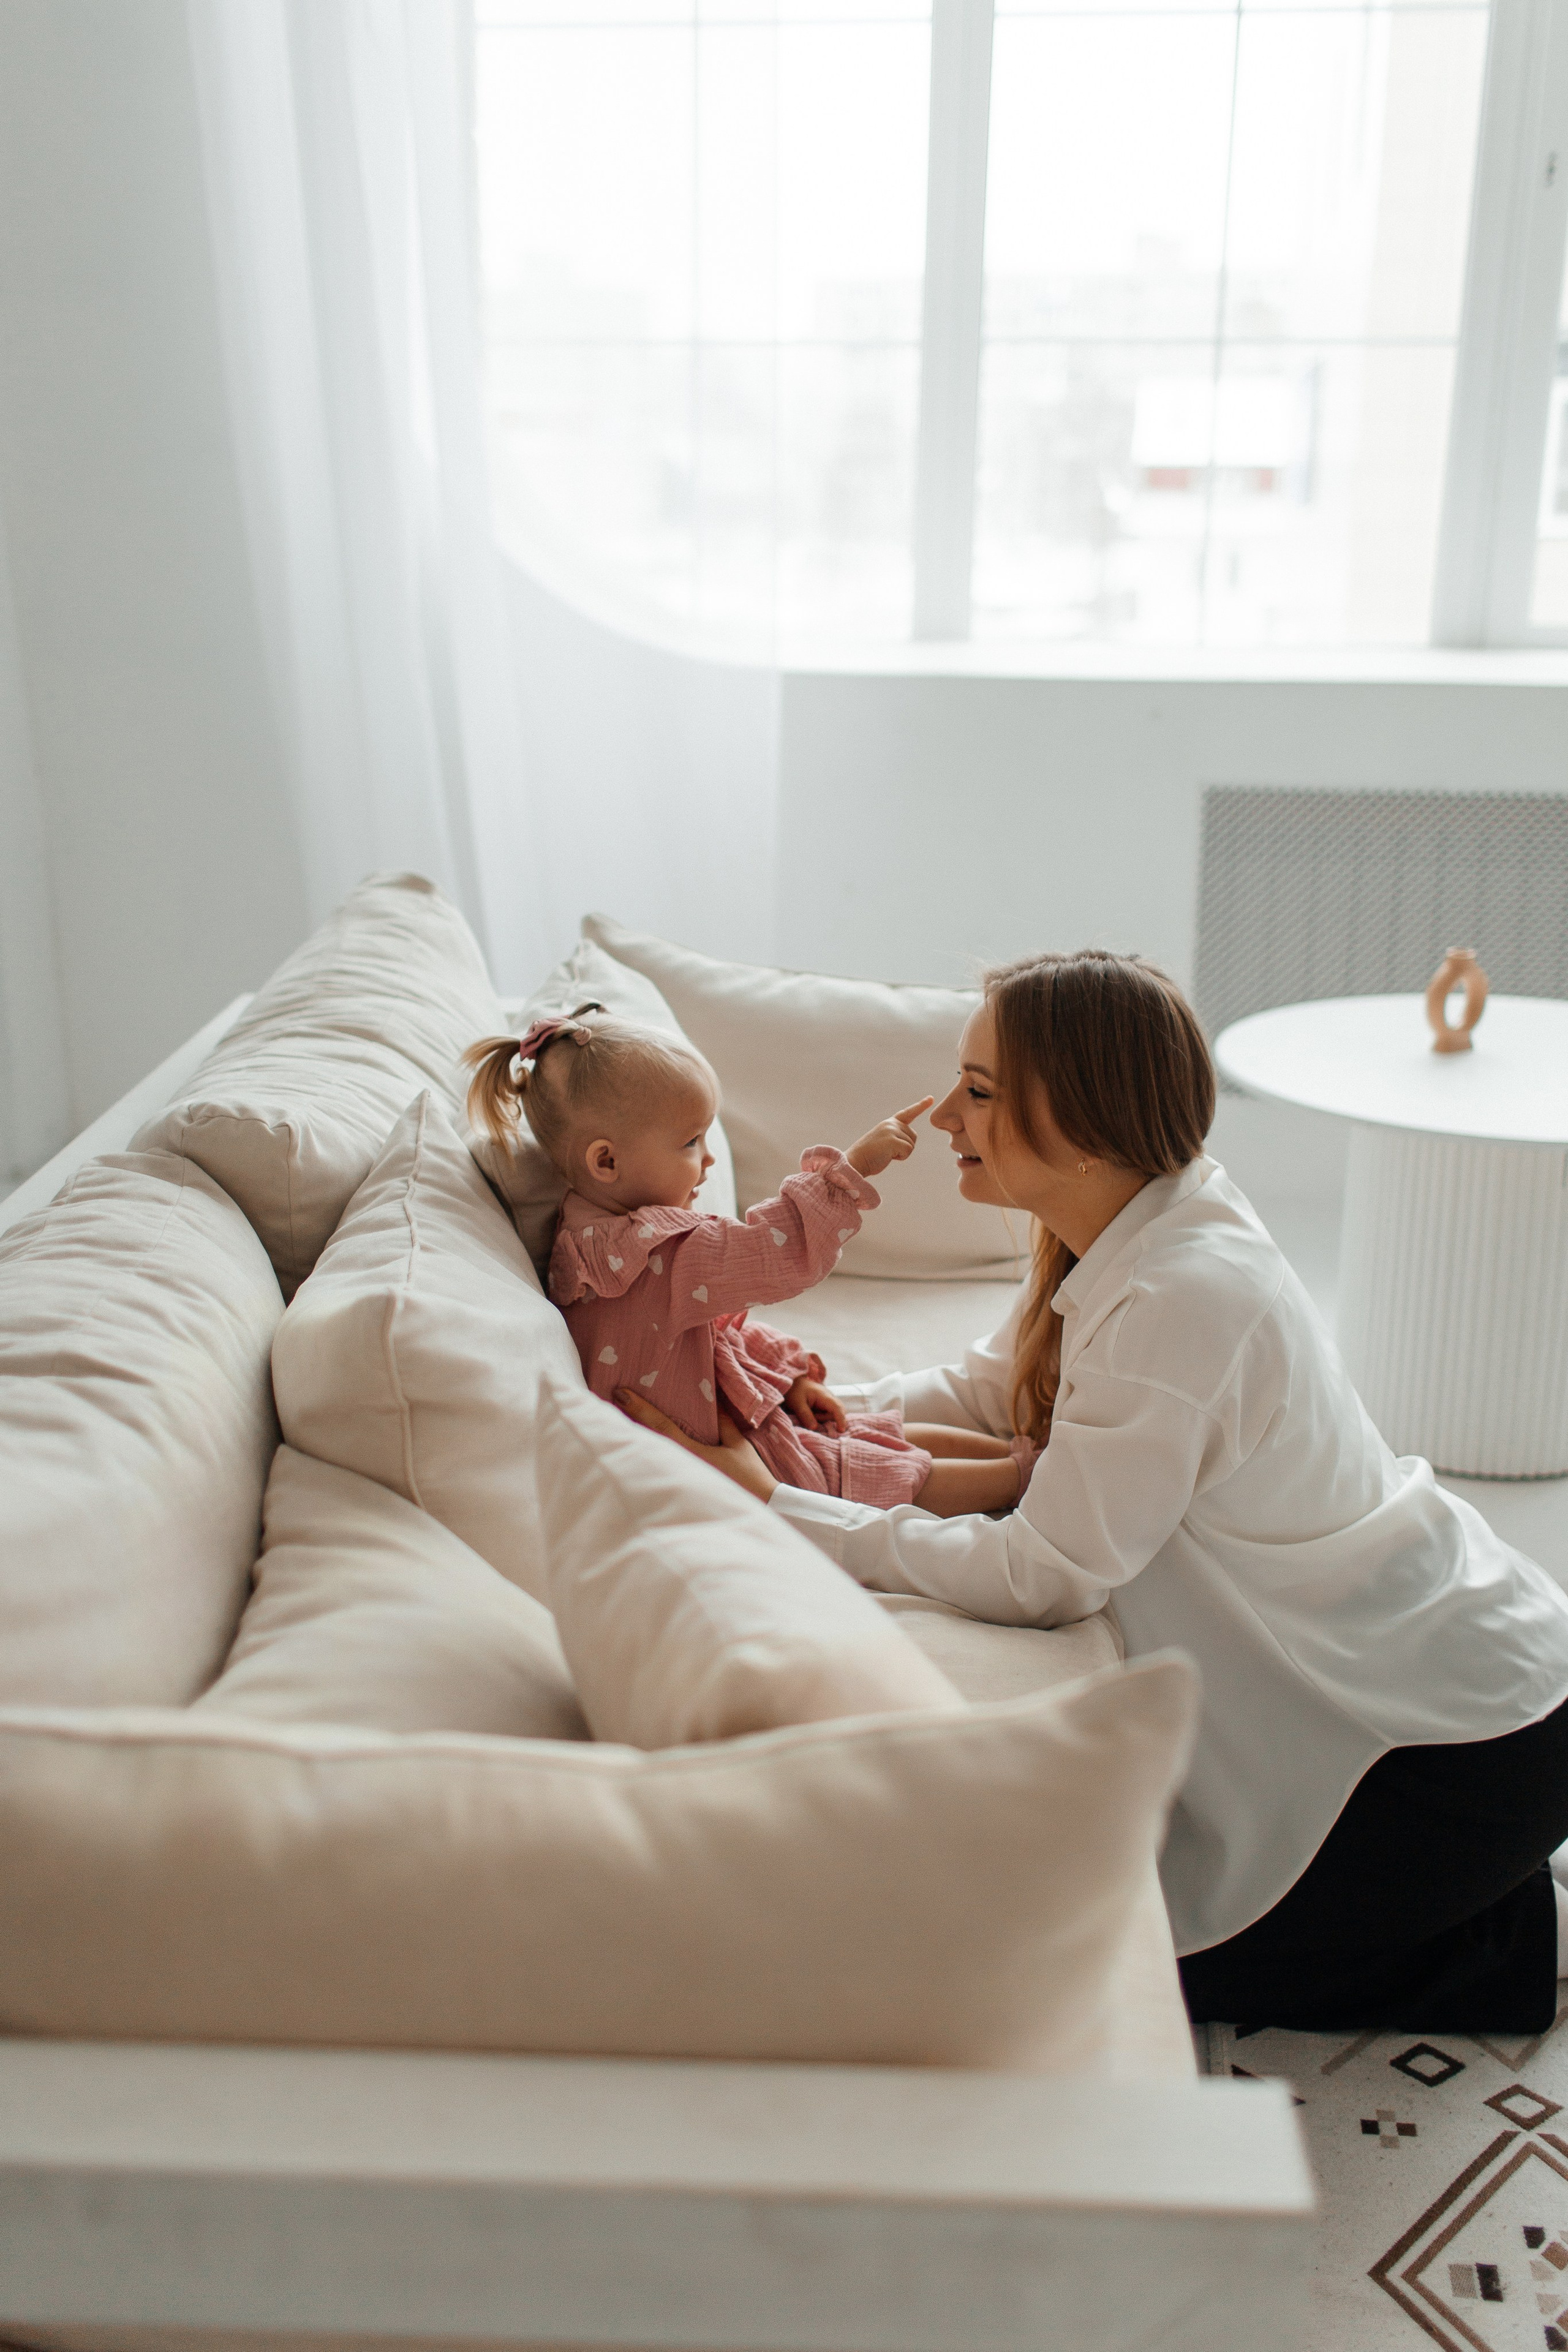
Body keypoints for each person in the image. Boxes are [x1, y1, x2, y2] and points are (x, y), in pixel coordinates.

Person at [619, 949, 1568, 2033]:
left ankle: (1519, 1932)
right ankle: (1479, 1901)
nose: (943, 1123)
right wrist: (775, 1413)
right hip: (1452, 1690)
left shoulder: (1183, 1296)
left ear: (1079, 1118)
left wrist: (782, 1512)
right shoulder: (1136, 1223)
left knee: (1140, 1980)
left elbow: (1047, 1574)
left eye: (977, 1094)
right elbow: (986, 1390)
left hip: (1452, 1740)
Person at [464, 1006, 1033, 1517]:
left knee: (871, 1436)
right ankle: (1024, 1479)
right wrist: (852, 1169)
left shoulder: (589, 1244)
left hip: (723, 1419)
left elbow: (710, 1328)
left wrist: (788, 1378)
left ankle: (1026, 1455)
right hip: (713, 1458)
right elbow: (773, 1251)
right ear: (606, 1160)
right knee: (868, 1473)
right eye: (690, 1142)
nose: (709, 1159)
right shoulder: (657, 1250)